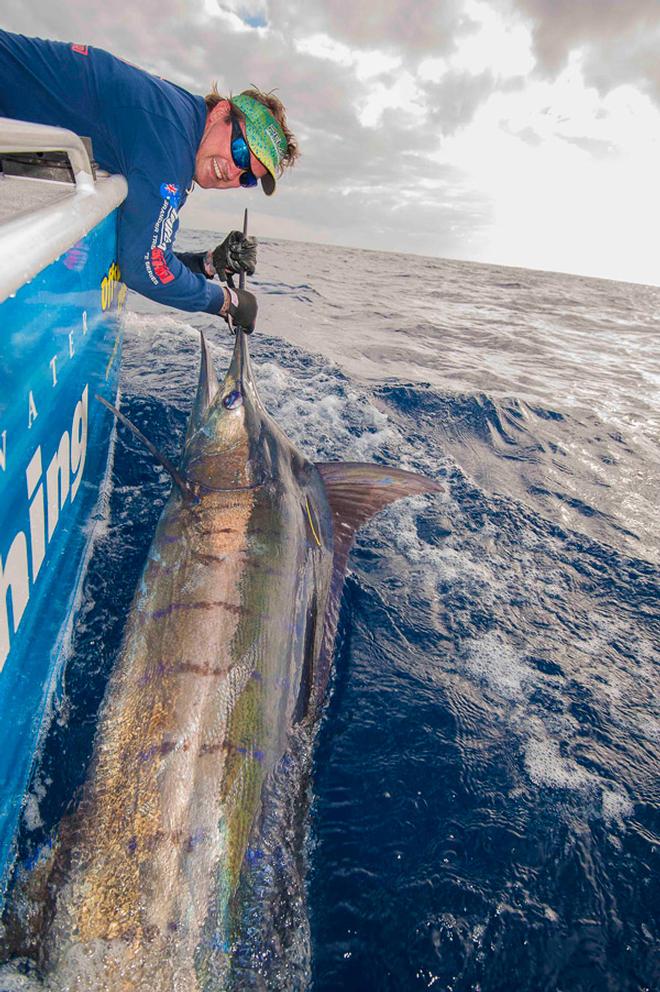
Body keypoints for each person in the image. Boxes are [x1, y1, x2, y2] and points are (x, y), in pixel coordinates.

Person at [0, 29, 299, 333]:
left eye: (247, 177)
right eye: (239, 151)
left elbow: (138, 247)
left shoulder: (179, 121)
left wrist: (207, 263)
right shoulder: (171, 139)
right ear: (221, 112)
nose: (234, 173)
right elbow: (144, 267)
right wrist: (226, 302)